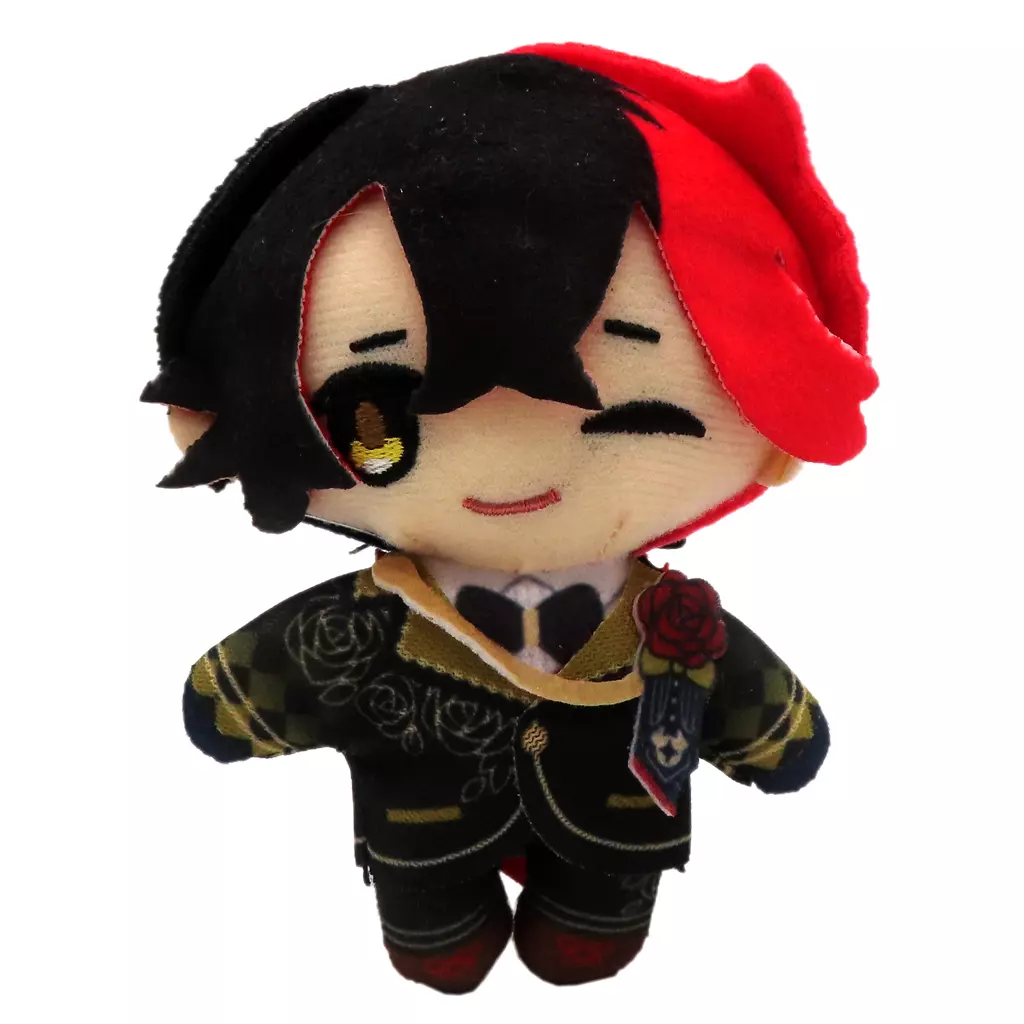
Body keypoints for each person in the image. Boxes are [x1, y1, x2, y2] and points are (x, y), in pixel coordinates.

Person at [144, 44, 876, 992]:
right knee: (432, 939)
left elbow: (756, 707)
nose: (511, 455)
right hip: (422, 840)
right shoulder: (365, 628)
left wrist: (775, 735)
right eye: (384, 402)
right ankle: (441, 930)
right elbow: (262, 682)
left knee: (598, 927)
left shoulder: (672, 627)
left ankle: (589, 921)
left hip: (618, 834)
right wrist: (234, 704)